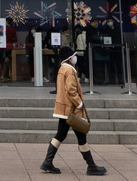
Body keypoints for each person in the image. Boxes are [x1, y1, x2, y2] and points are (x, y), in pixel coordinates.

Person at [39, 46, 107, 176]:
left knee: (60, 135)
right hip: (72, 109)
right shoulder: (70, 70)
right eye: (73, 55)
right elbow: (71, 90)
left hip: (63, 109)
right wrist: (79, 103)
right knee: (81, 136)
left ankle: (48, 162)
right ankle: (91, 166)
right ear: (69, 58)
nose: (75, 57)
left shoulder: (62, 68)